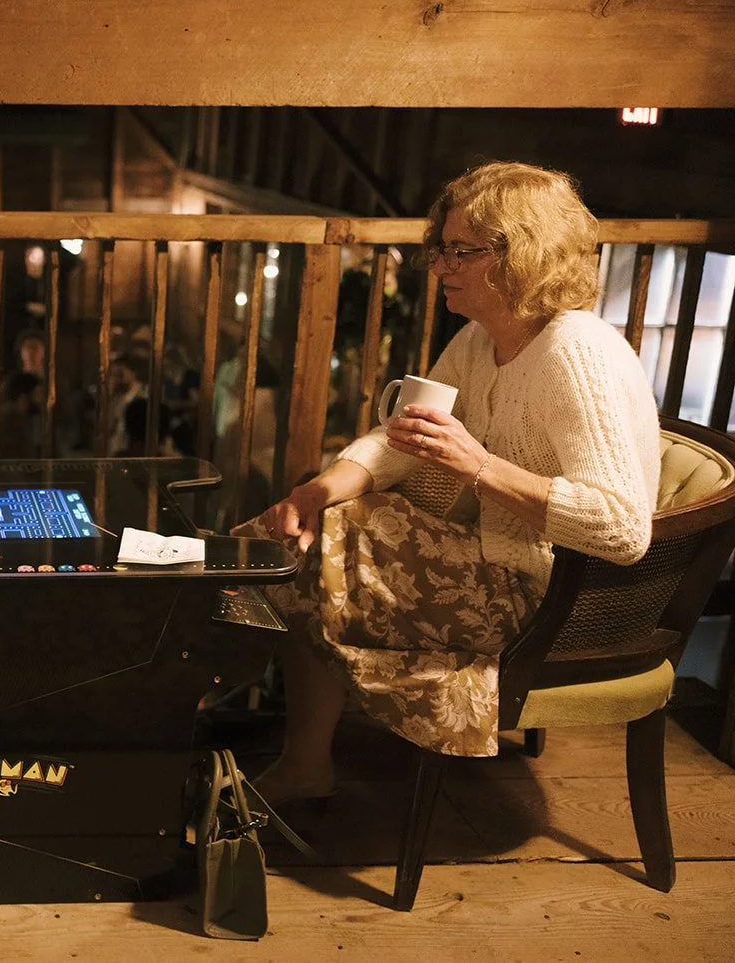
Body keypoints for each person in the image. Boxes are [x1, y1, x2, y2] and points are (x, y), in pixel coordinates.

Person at [237, 161, 659, 804]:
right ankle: (289, 749)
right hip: (491, 564)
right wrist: (315, 493)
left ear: (523, 254)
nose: (440, 267)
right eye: (441, 249)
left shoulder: (576, 353)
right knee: (311, 529)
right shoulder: (479, 339)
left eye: (462, 251)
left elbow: (622, 529)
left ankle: (229, 724)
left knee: (305, 557)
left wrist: (479, 466)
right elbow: (401, 440)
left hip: (556, 600)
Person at [0, 371, 43, 460]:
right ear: (23, 398)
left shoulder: (27, 419)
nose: (40, 400)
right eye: (37, 395)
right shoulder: (6, 423)